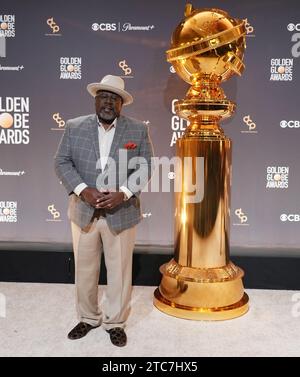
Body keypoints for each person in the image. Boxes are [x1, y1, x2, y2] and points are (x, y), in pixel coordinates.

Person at [54, 74, 154, 347]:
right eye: (104, 97)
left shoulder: (137, 130)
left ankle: (115, 322)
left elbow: (145, 166)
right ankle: (87, 317)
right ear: (95, 99)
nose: (109, 102)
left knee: (119, 272)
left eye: (115, 98)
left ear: (122, 104)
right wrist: (82, 189)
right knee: (85, 270)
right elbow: (62, 162)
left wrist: (125, 192)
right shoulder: (74, 127)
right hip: (83, 212)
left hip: (121, 214)